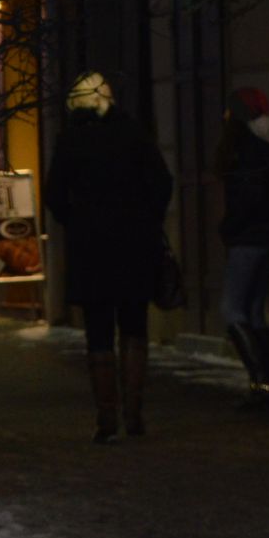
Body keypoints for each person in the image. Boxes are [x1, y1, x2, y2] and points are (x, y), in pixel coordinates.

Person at [44, 71, 174, 442]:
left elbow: (55, 196)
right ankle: (134, 411)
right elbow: (162, 183)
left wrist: (77, 220)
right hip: (135, 243)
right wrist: (147, 218)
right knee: (134, 326)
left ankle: (106, 416)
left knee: (98, 331)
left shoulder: (71, 141)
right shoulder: (134, 135)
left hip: (91, 248)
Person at [216, 86, 269, 410]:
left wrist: (229, 229)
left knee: (233, 309)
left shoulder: (246, 150)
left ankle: (260, 382)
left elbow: (246, 199)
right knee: (256, 312)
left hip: (248, 238)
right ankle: (267, 384)